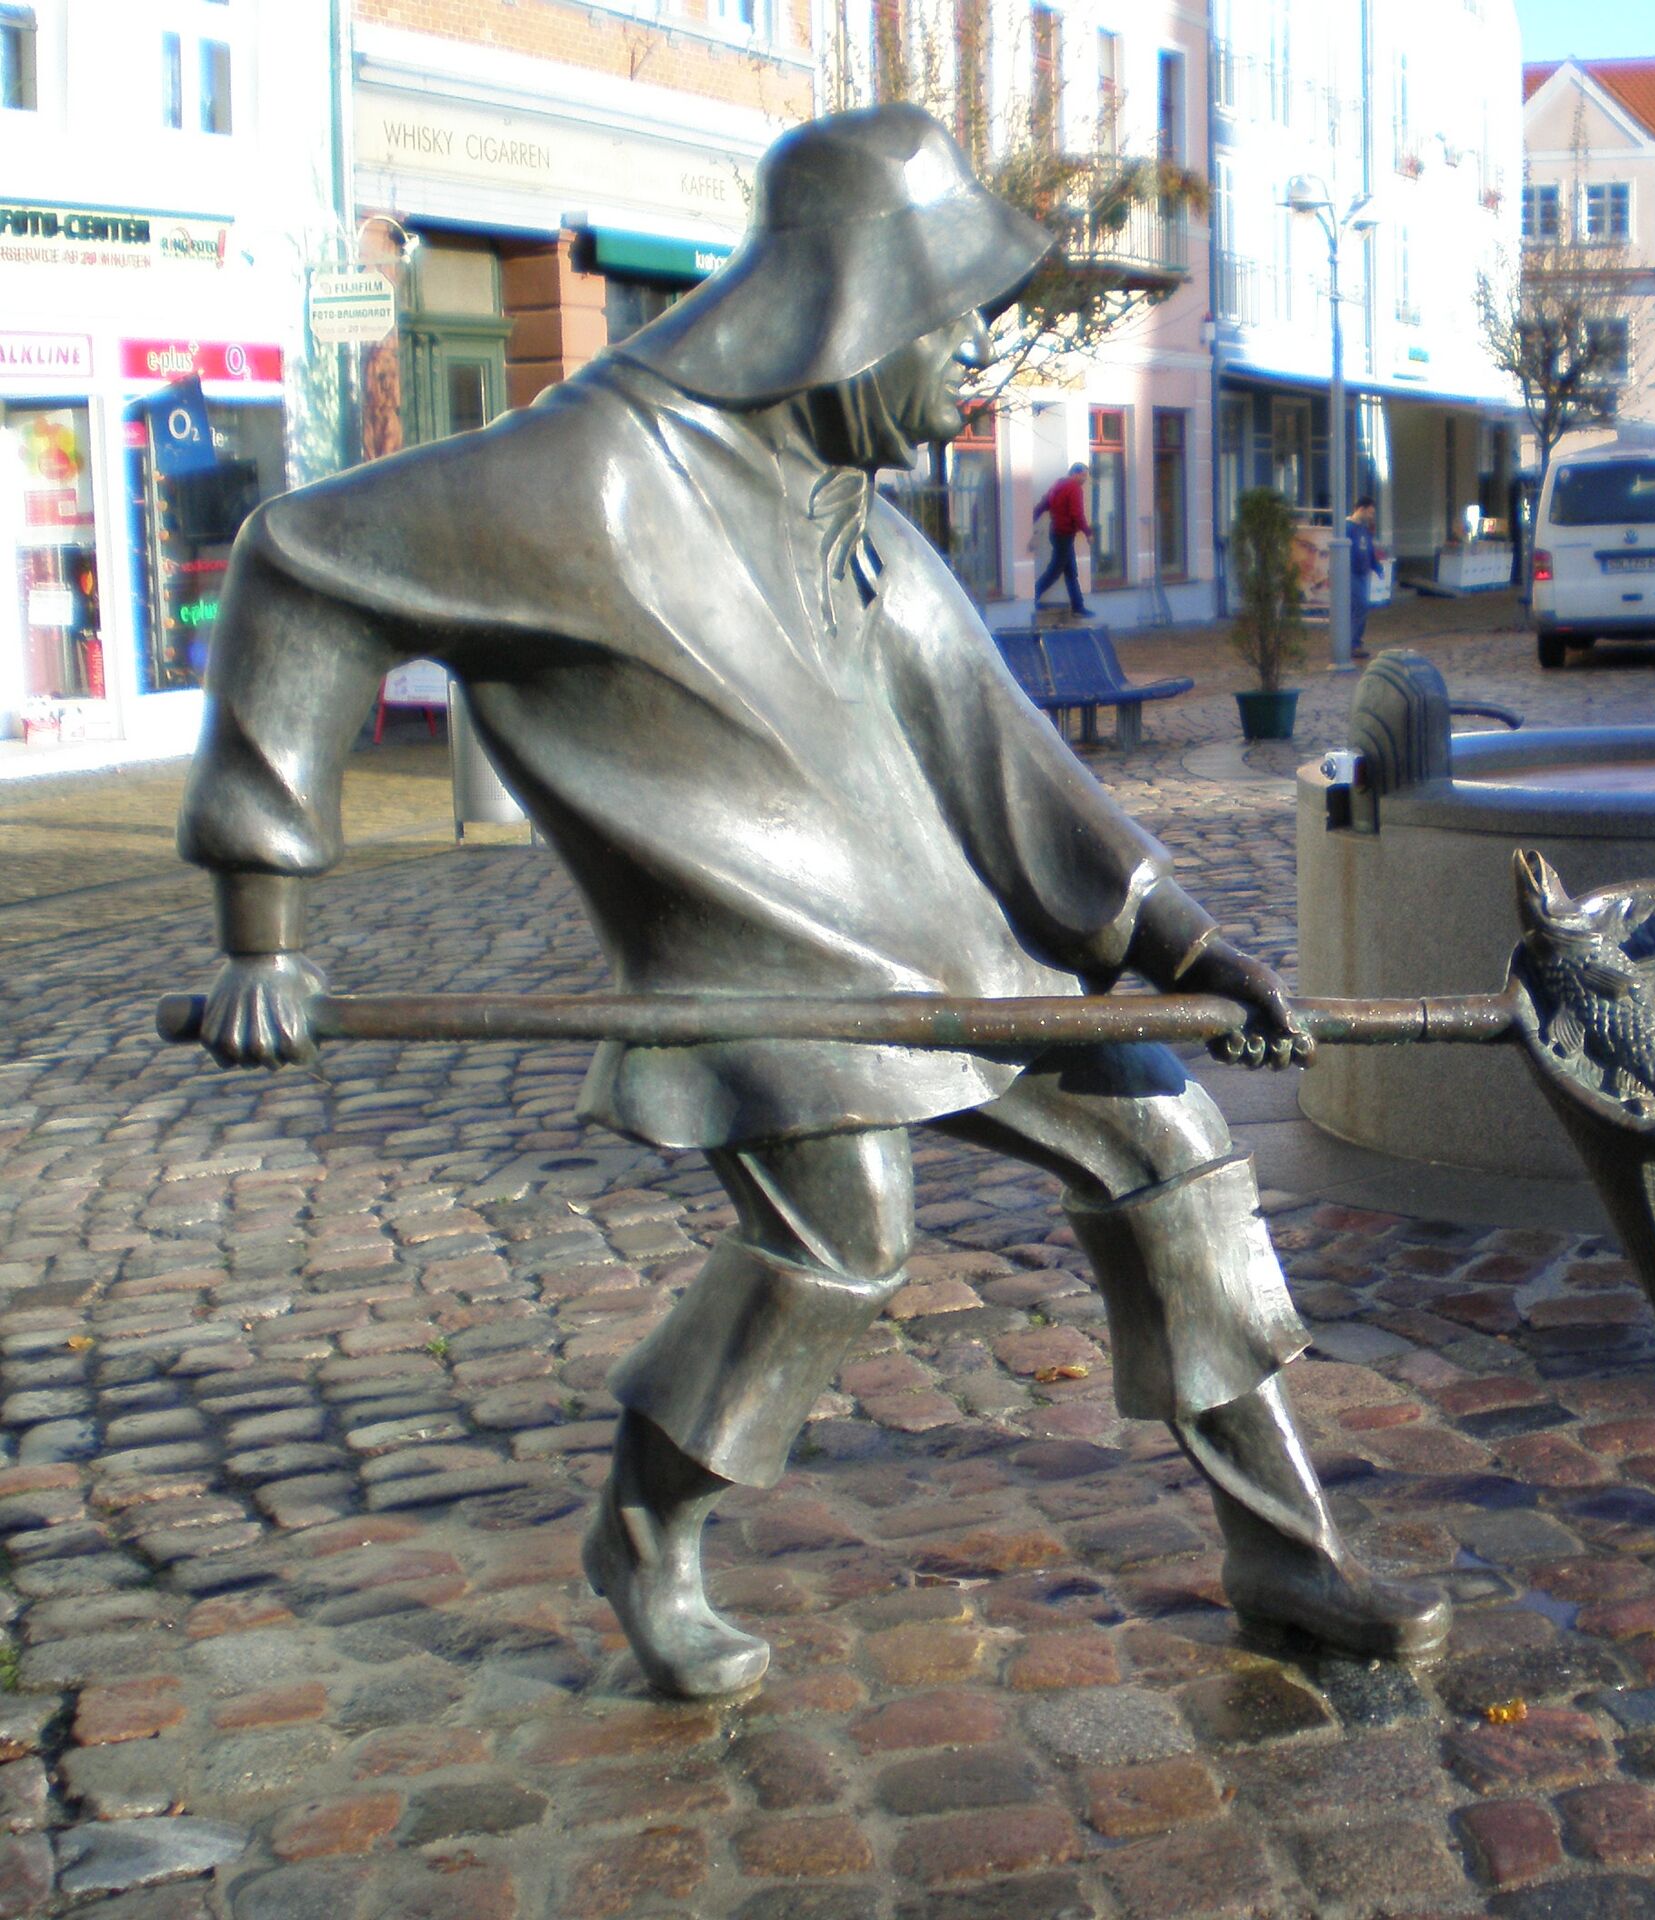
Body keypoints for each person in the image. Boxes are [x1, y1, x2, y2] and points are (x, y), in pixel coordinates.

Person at [176, 105, 1449, 1699]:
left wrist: (1187, 942)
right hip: (763, 979)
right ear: (858, 314)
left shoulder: (863, 524)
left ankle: (1284, 1547)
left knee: (1170, 1140)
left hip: (956, 962)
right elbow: (300, 563)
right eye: (952, 332)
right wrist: (264, 930)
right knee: (848, 1238)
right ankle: (645, 1534)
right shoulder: (581, 483)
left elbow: (1009, 763)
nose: (962, 379)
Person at [1030, 460, 1091, 616]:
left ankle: (1078, 607)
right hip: (1065, 534)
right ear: (1075, 473)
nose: (1085, 479)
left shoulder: (1058, 485)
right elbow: (1077, 513)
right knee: (1055, 570)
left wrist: (1031, 519)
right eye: (1083, 475)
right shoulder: (1074, 488)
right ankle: (1032, 596)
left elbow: (1045, 503)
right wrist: (1088, 532)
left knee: (1070, 572)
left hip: (1057, 533)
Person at [1345, 496, 1386, 656]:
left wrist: (1377, 567)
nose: (1371, 516)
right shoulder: (1348, 528)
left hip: (1362, 573)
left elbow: (1369, 550)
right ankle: (1353, 644)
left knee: (1361, 608)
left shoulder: (1363, 529)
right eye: (1370, 513)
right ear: (1361, 509)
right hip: (1351, 573)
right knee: (1359, 607)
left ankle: (1355, 642)